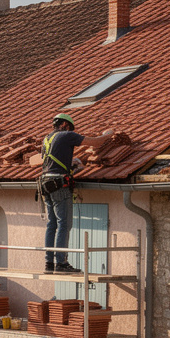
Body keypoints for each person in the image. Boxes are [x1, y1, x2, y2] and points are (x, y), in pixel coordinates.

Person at [38, 114, 113, 274]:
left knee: (52, 224)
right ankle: (61, 263)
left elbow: (51, 161)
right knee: (64, 224)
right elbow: (95, 142)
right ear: (65, 124)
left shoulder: (46, 139)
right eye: (71, 128)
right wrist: (108, 134)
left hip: (45, 183)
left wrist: (71, 163)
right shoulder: (67, 135)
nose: (72, 131)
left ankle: (49, 263)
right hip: (59, 184)